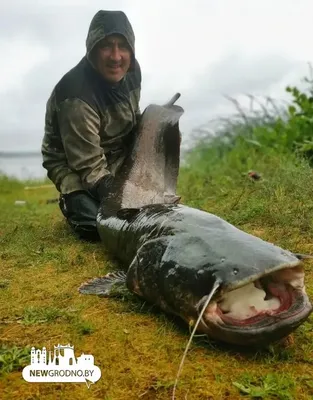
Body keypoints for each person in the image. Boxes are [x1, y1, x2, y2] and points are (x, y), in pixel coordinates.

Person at [41, 10, 141, 241]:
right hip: (73, 163)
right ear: (93, 49)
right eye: (107, 45)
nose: (116, 56)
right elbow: (89, 166)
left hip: (115, 151)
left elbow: (134, 119)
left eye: (122, 46)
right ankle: (70, 200)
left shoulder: (133, 73)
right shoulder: (75, 96)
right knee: (99, 225)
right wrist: (121, 200)